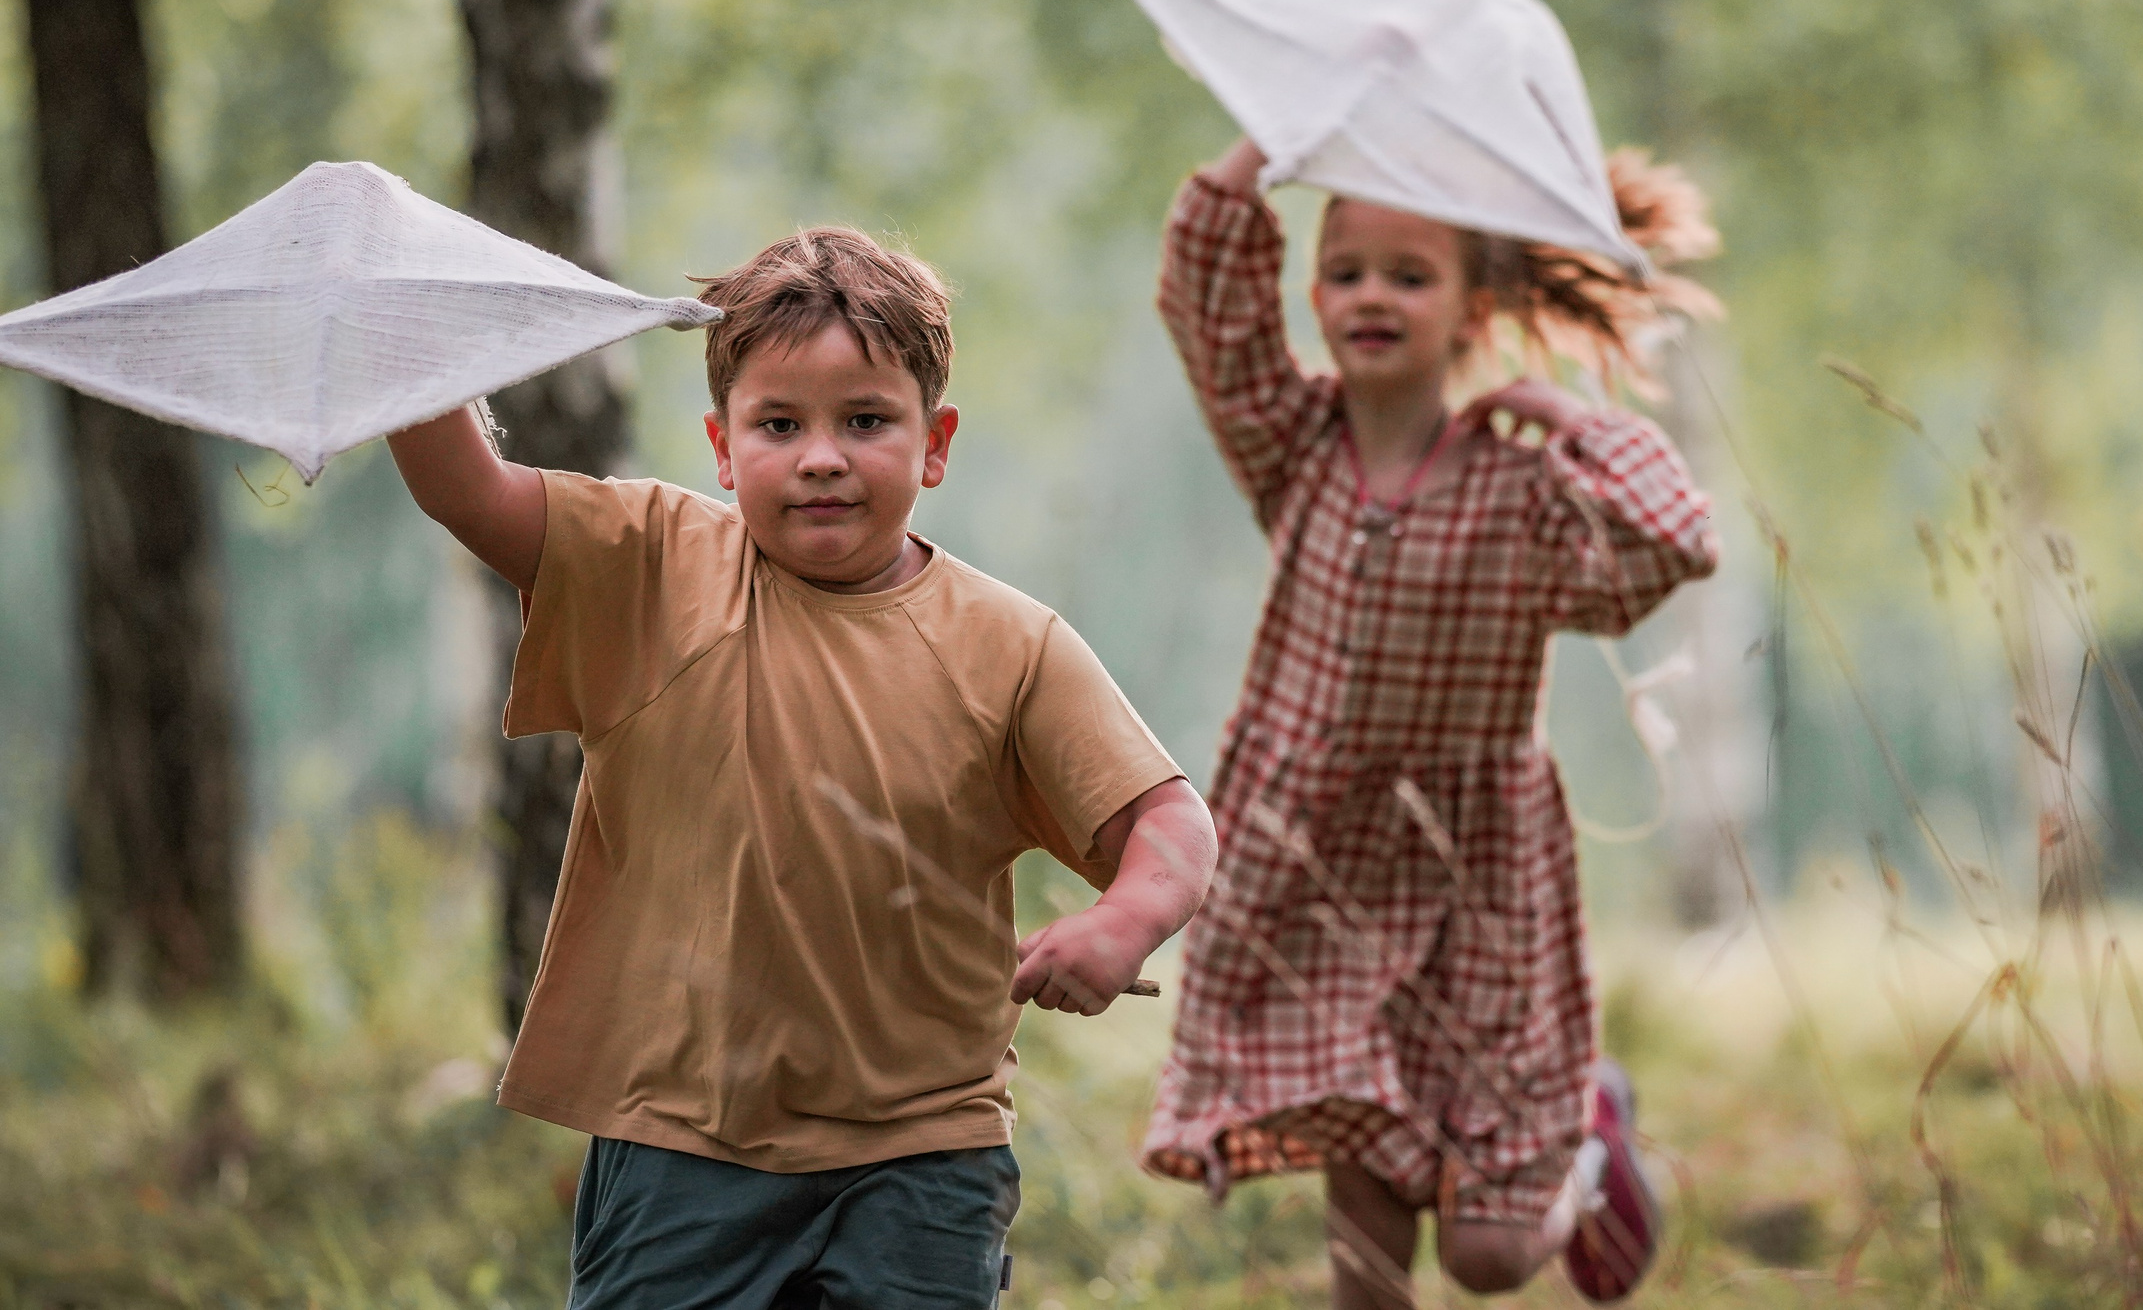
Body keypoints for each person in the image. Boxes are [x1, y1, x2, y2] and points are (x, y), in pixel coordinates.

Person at [387, 225, 1218, 1310]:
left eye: (865, 421)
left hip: (924, 1150)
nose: (821, 455)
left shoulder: (1009, 644)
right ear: (723, 448)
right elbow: (467, 491)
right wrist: (398, 337)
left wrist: (1120, 924)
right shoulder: (651, 565)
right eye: (779, 424)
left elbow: (1168, 819)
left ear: (935, 442)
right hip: (681, 1139)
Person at [1142, 137, 1722, 1307]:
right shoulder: (1293, 443)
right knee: (1364, 1226)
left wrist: (1568, 414)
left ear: (1471, 311)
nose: (1371, 296)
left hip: (1479, 881)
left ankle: (1590, 1144)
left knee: (1487, 1258)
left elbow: (1676, 537)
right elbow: (1204, 298)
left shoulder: (1522, 487)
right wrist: (1272, 142)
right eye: (1347, 271)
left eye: (1409, 275)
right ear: (1314, 297)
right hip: (1322, 870)